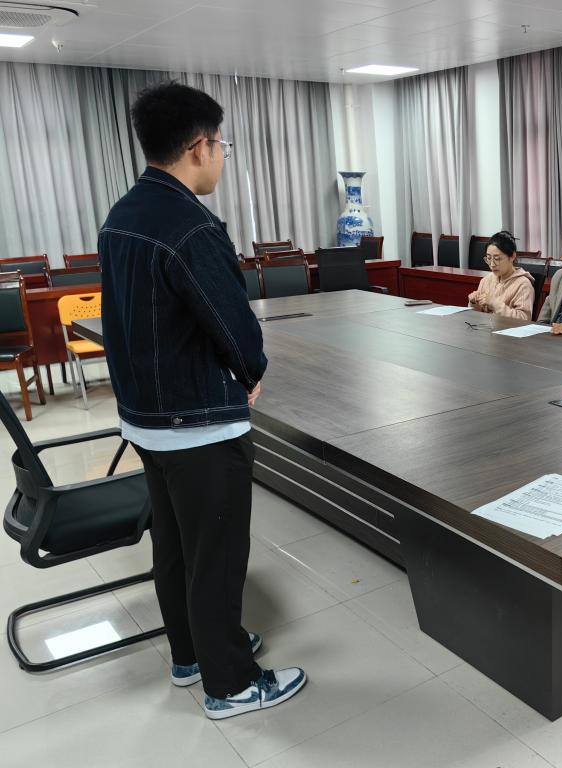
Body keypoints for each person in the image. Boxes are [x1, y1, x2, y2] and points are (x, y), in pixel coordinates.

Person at [98, 82, 306, 719]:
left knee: (176, 547)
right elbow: (234, 325)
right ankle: (232, 683)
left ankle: (191, 654)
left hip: (147, 421)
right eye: (222, 146)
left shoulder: (123, 214)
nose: (221, 158)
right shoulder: (191, 226)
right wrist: (251, 370)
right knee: (217, 555)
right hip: (199, 423)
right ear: (199, 146)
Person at [467, 230, 535, 320]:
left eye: (497, 258)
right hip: (485, 327)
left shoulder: (523, 285)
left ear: (512, 256)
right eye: (489, 258)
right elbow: (477, 316)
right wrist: (474, 303)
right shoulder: (486, 280)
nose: (492, 264)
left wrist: (495, 304)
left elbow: (524, 319)